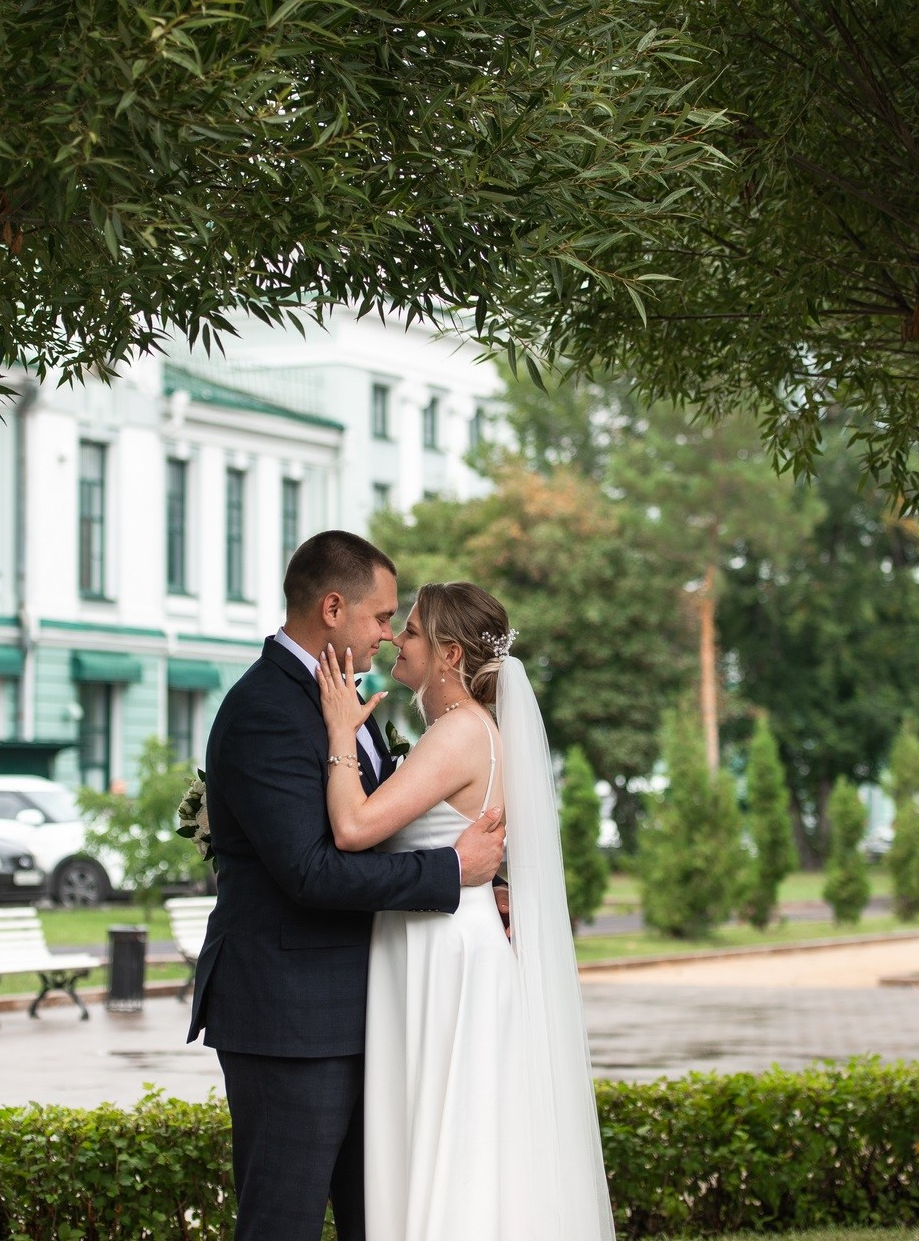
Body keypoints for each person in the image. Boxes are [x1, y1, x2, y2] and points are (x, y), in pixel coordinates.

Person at [186, 532, 507, 1241]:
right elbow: (310, 870)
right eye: (382, 617)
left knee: (384, 1220)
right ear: (333, 607)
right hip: (290, 1018)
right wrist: (453, 871)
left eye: (399, 623)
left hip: (370, 1008)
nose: (389, 636)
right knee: (282, 1222)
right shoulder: (268, 707)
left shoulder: (344, 701)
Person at [314, 581, 614, 1241]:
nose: (396, 637)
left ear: (449, 654)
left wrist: (340, 734)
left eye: (413, 630)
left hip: (442, 952)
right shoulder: (476, 732)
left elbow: (354, 828)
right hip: (442, 939)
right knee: (465, 1131)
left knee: (456, 1135)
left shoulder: (458, 734)